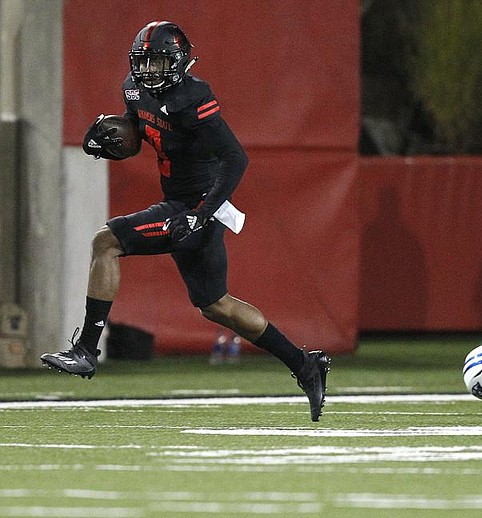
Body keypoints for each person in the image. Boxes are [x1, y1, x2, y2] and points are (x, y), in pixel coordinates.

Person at [40, 21, 331, 422]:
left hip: (196, 207)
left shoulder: (193, 98)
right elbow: (138, 127)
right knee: (217, 306)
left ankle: (86, 350)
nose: (149, 71)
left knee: (105, 242)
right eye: (144, 62)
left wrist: (199, 214)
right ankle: (304, 365)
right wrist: (115, 134)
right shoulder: (135, 88)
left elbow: (236, 159)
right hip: (179, 204)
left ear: (178, 61)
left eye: (158, 61)